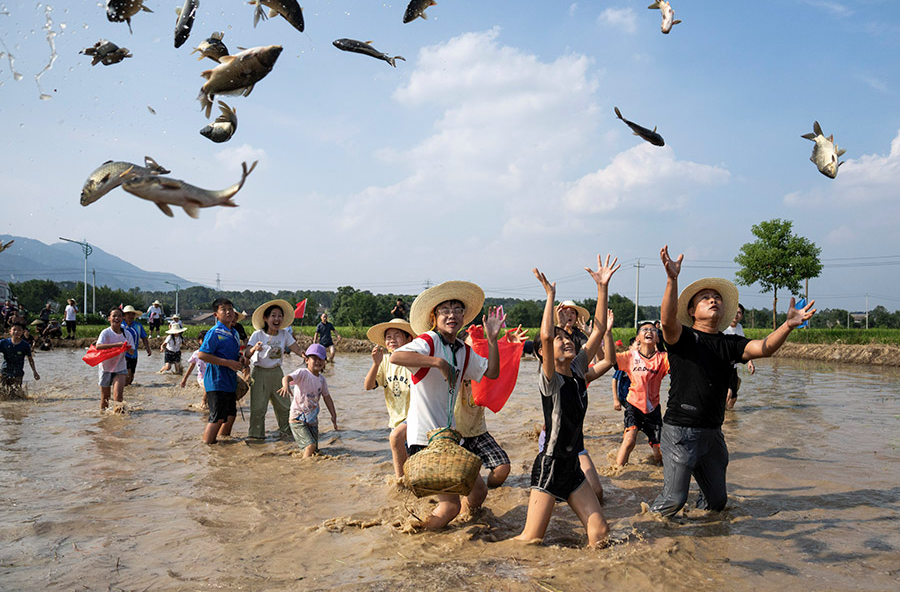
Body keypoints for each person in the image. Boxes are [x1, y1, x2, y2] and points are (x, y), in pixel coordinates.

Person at [649, 246, 816, 518]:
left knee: (717, 502)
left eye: (717, 297)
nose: (713, 300)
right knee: (674, 499)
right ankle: (647, 529)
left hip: (713, 433)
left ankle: (702, 539)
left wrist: (787, 326)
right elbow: (667, 322)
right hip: (681, 430)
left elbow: (765, 348)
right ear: (691, 310)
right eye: (705, 298)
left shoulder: (730, 343)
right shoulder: (684, 339)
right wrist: (672, 279)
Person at [515, 257, 618, 548]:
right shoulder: (550, 380)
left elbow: (597, 332)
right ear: (545, 354)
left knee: (600, 532)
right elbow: (545, 336)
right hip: (550, 464)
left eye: (568, 338)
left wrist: (602, 287)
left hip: (572, 465)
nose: (566, 341)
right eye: (560, 340)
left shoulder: (576, 370)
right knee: (529, 541)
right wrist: (550, 296)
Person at [390, 281, 503, 530]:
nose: (452, 315)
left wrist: (492, 339)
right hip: (426, 438)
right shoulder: (429, 341)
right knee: (450, 505)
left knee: (478, 492)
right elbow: (396, 356)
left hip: (449, 436)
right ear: (435, 316)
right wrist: (438, 362)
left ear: (463, 316)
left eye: (457, 309)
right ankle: (417, 538)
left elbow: (492, 373)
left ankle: (460, 531)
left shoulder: (462, 349)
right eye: (445, 310)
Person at [245, 300, 306, 440]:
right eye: (273, 315)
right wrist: (255, 348)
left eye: (280, 316)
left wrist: (305, 355)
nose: (277, 319)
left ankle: (287, 435)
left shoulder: (284, 334)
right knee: (258, 408)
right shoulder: (257, 335)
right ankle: (256, 437)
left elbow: (296, 348)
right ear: (265, 318)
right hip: (259, 374)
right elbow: (247, 354)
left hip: (277, 374)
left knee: (284, 407)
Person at [364, 318, 415, 480]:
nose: (392, 339)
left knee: (398, 442)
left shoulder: (416, 359)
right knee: (410, 467)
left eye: (397, 335)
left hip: (416, 420)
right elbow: (368, 386)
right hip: (396, 422)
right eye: (388, 336)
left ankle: (399, 484)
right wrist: (375, 364)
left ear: (409, 339)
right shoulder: (384, 362)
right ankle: (403, 488)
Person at [614, 322, 669, 466]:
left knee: (659, 454)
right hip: (633, 405)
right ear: (638, 337)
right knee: (629, 440)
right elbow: (608, 359)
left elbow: (680, 366)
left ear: (657, 338)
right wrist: (606, 333)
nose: (649, 331)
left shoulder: (663, 358)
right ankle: (616, 471)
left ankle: (659, 473)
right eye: (645, 329)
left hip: (653, 409)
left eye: (653, 330)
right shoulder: (630, 356)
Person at [197, 298, 244, 445]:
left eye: (230, 308)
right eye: (223, 309)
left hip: (229, 381)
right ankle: (208, 446)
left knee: (230, 416)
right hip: (216, 381)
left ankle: (224, 447)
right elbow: (202, 355)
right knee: (217, 417)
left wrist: (241, 359)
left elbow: (234, 354)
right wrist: (228, 363)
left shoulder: (234, 333)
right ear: (215, 314)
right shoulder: (214, 332)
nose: (228, 312)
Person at [279, 343, 337, 457]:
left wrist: (333, 415)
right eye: (314, 358)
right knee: (310, 446)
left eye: (321, 359)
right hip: (297, 419)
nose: (318, 361)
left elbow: (327, 398)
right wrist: (285, 385)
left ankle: (305, 462)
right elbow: (287, 377)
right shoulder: (302, 373)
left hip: (312, 421)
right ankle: (305, 469)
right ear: (306, 360)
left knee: (314, 451)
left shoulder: (322, 380)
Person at [96, 308, 136, 411]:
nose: (116, 318)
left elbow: (132, 352)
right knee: (105, 399)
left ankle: (119, 423)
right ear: (109, 318)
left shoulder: (127, 334)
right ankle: (104, 420)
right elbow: (98, 346)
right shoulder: (105, 333)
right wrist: (118, 345)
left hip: (120, 368)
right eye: (114, 316)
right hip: (105, 368)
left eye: (119, 316)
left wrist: (127, 348)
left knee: (118, 398)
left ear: (123, 318)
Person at [723, 304, 755, 410]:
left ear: (741, 316)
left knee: (733, 398)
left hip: (733, 367)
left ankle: (728, 418)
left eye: (739, 313)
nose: (736, 315)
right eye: (734, 312)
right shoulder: (722, 327)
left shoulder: (739, 328)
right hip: (722, 367)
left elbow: (745, 347)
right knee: (728, 393)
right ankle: (720, 417)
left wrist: (750, 361)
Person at [1, 322, 40, 397]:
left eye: (19, 330)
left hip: (18, 372)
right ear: (10, 331)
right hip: (5, 370)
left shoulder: (25, 345)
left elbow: (30, 359)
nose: (16, 332)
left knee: (16, 394)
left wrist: (35, 372)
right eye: (14, 330)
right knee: (2, 392)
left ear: (23, 332)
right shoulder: (3, 343)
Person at [121, 305, 152, 386]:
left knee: (131, 376)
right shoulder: (121, 326)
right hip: (123, 354)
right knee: (127, 373)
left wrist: (147, 348)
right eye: (128, 314)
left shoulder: (138, 326)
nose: (130, 316)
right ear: (124, 316)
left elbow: (144, 337)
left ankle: (128, 391)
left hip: (134, 354)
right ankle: (121, 390)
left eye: (132, 314)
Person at [180, 330, 209, 408]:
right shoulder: (196, 354)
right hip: (202, 377)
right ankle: (203, 401)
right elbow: (191, 367)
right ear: (199, 341)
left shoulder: (213, 353)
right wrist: (184, 379)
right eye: (204, 340)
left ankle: (208, 403)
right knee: (207, 387)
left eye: (208, 340)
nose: (207, 342)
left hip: (211, 376)